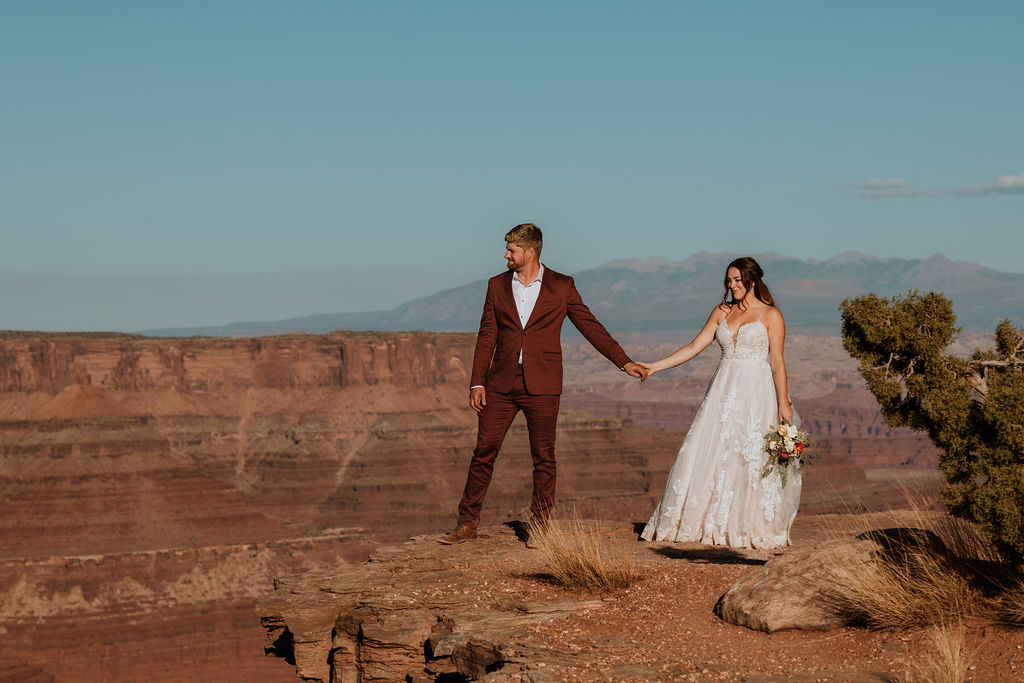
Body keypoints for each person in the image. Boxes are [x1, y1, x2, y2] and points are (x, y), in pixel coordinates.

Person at [440, 223, 648, 544]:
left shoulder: (561, 286)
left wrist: (623, 361)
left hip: (543, 384)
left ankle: (539, 526)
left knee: (544, 459)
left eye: (511, 249)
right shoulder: (497, 286)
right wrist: (476, 382)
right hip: (500, 385)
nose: (506, 254)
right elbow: (487, 336)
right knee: (483, 452)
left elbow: (590, 326)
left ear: (530, 252)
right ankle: (467, 523)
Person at [638, 256, 800, 549]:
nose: (732, 285)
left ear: (752, 280)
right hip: (723, 391)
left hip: (756, 392)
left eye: (737, 280)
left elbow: (777, 361)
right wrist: (654, 367)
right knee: (712, 449)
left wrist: (783, 403)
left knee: (748, 454)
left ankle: (747, 523)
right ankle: (704, 522)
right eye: (729, 280)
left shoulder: (771, 315)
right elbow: (693, 347)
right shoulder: (721, 312)